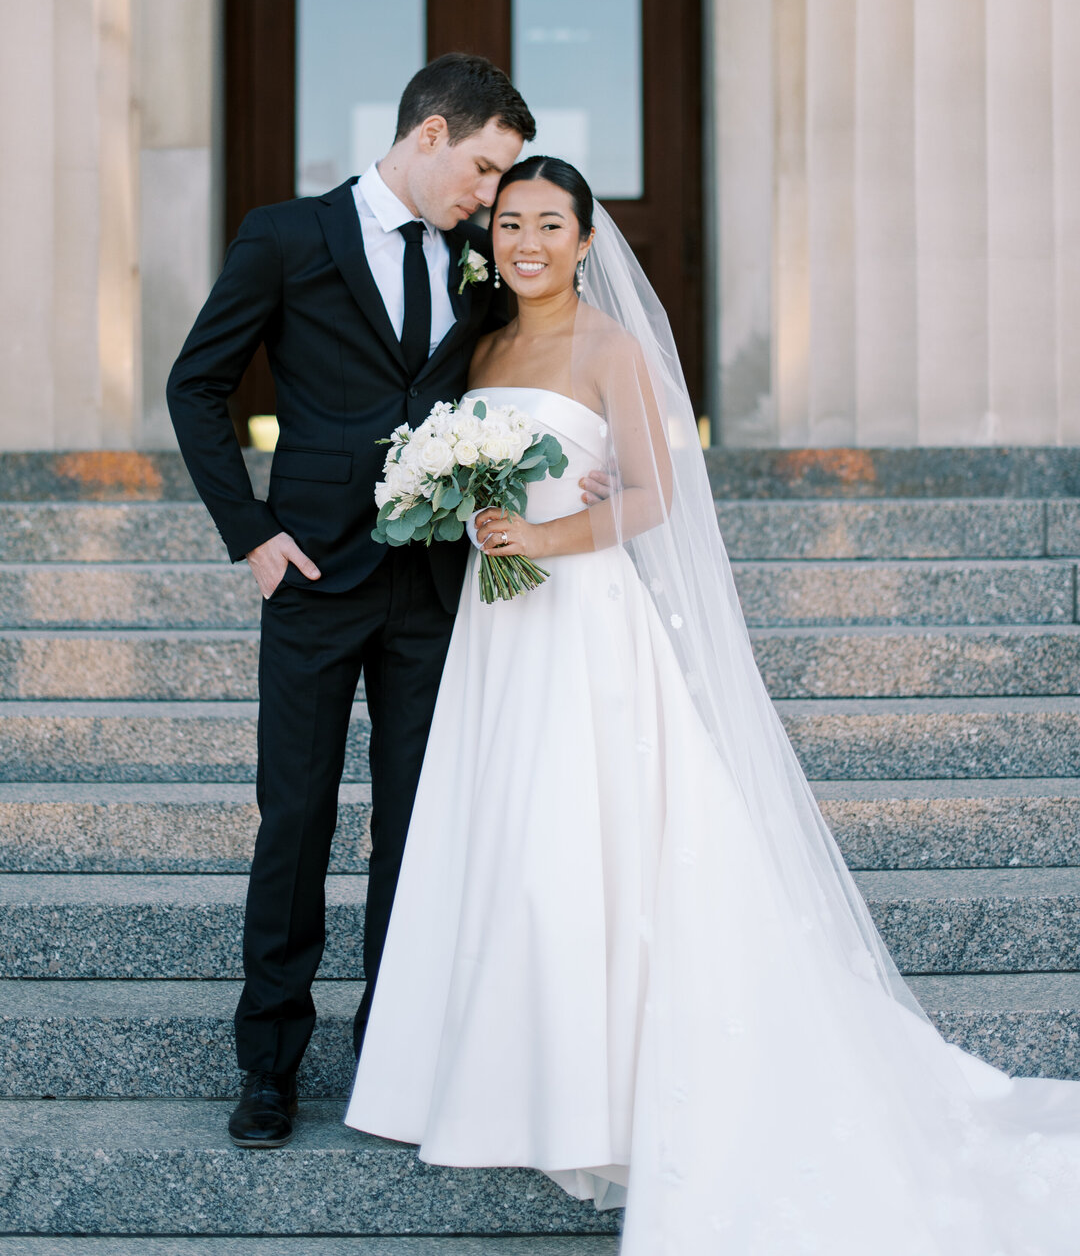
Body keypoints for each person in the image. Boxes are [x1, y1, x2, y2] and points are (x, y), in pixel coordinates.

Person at [347, 155, 1080, 1254]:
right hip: (499, 635)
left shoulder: (612, 346)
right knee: (500, 838)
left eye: (550, 222)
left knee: (578, 844)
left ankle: (597, 1090)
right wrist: (460, 504)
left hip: (584, 624)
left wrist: (541, 533)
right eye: (509, 223)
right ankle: (499, 1077)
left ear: (588, 239)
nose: (526, 241)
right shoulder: (484, 343)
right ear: (489, 238)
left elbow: (655, 491)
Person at [168, 56, 614, 1150]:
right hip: (313, 577)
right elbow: (198, 382)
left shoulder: (478, 261)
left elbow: (539, 368)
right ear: (428, 135)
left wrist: (583, 471)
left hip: (436, 587)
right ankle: (268, 1064)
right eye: (481, 169)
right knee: (298, 824)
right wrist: (252, 535)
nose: (492, 200)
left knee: (418, 833)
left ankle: (392, 1056)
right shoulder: (285, 235)